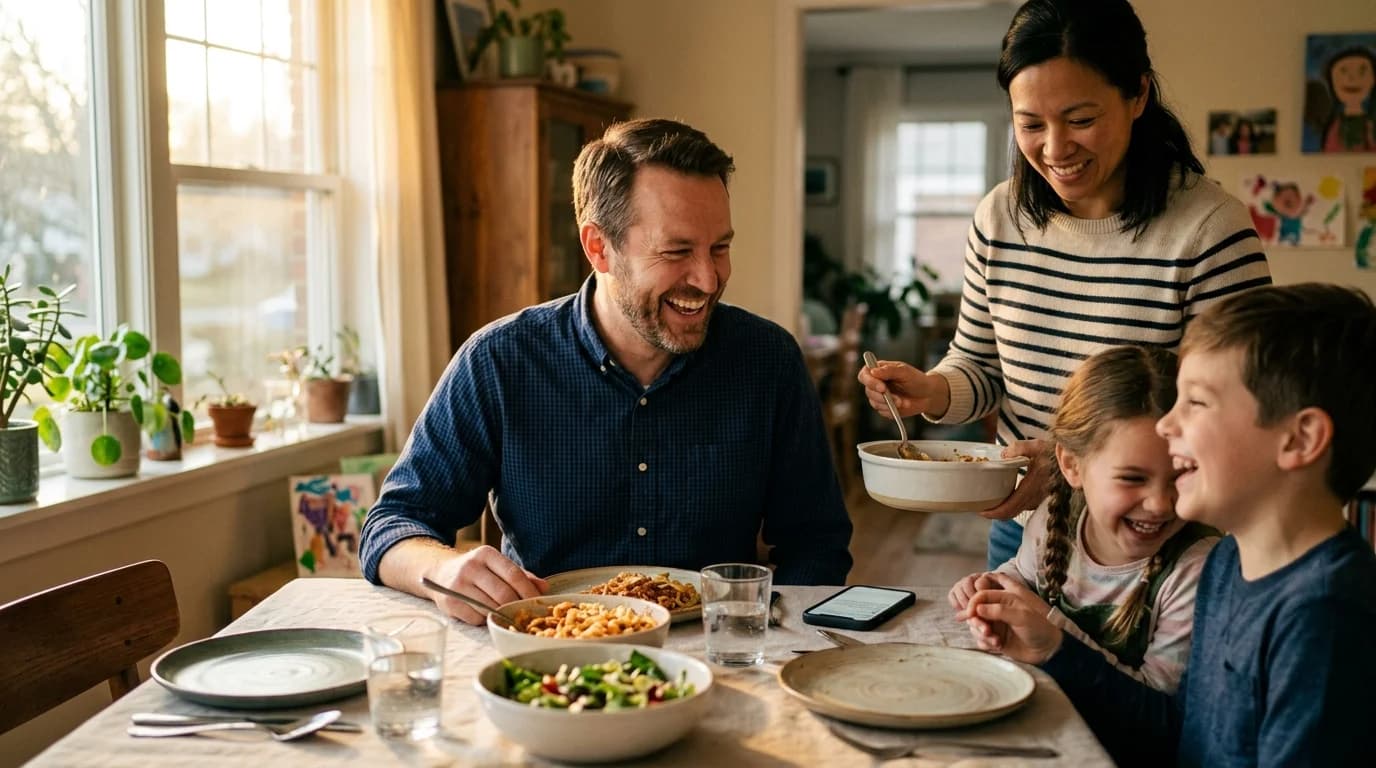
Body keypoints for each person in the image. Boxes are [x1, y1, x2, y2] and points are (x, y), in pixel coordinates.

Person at [359, 118, 853, 623]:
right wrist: (444, 569)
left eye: (719, 248)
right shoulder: (499, 361)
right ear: (599, 248)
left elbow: (817, 542)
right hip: (549, 663)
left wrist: (768, 641)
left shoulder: (768, 361)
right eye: (677, 251)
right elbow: (392, 526)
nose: (708, 278)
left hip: (715, 659)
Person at [857, 0, 1271, 571]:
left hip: (1157, 536)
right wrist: (929, 390)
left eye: (1080, 119)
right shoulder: (999, 218)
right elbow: (981, 366)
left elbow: (1232, 409)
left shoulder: (1209, 230)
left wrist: (1073, 460)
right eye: (1030, 124)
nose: (1054, 149)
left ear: (1139, 95)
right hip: (1026, 529)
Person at [958, 283, 1376, 767]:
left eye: (1195, 403)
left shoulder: (1327, 615)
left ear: (1299, 440)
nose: (1166, 425)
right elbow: (1176, 738)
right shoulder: (1227, 565)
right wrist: (1056, 648)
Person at [950, 345, 1215, 694]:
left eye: (1181, 474)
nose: (1160, 504)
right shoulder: (1052, 519)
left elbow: (1158, 713)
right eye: (1133, 478)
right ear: (1072, 465)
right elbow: (1022, 575)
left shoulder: (1196, 569)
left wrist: (1054, 635)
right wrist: (991, 587)